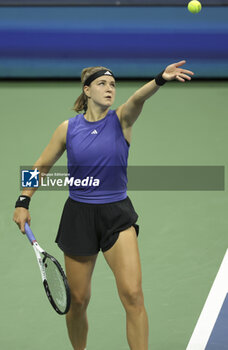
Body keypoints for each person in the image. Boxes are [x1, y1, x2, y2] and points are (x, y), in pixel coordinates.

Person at [13, 60, 194, 350]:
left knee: (133, 296)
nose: (109, 89)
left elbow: (137, 98)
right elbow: (41, 166)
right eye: (102, 84)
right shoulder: (67, 129)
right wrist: (23, 200)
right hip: (78, 217)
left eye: (112, 85)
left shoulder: (122, 119)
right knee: (78, 302)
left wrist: (160, 78)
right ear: (87, 90)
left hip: (116, 215)